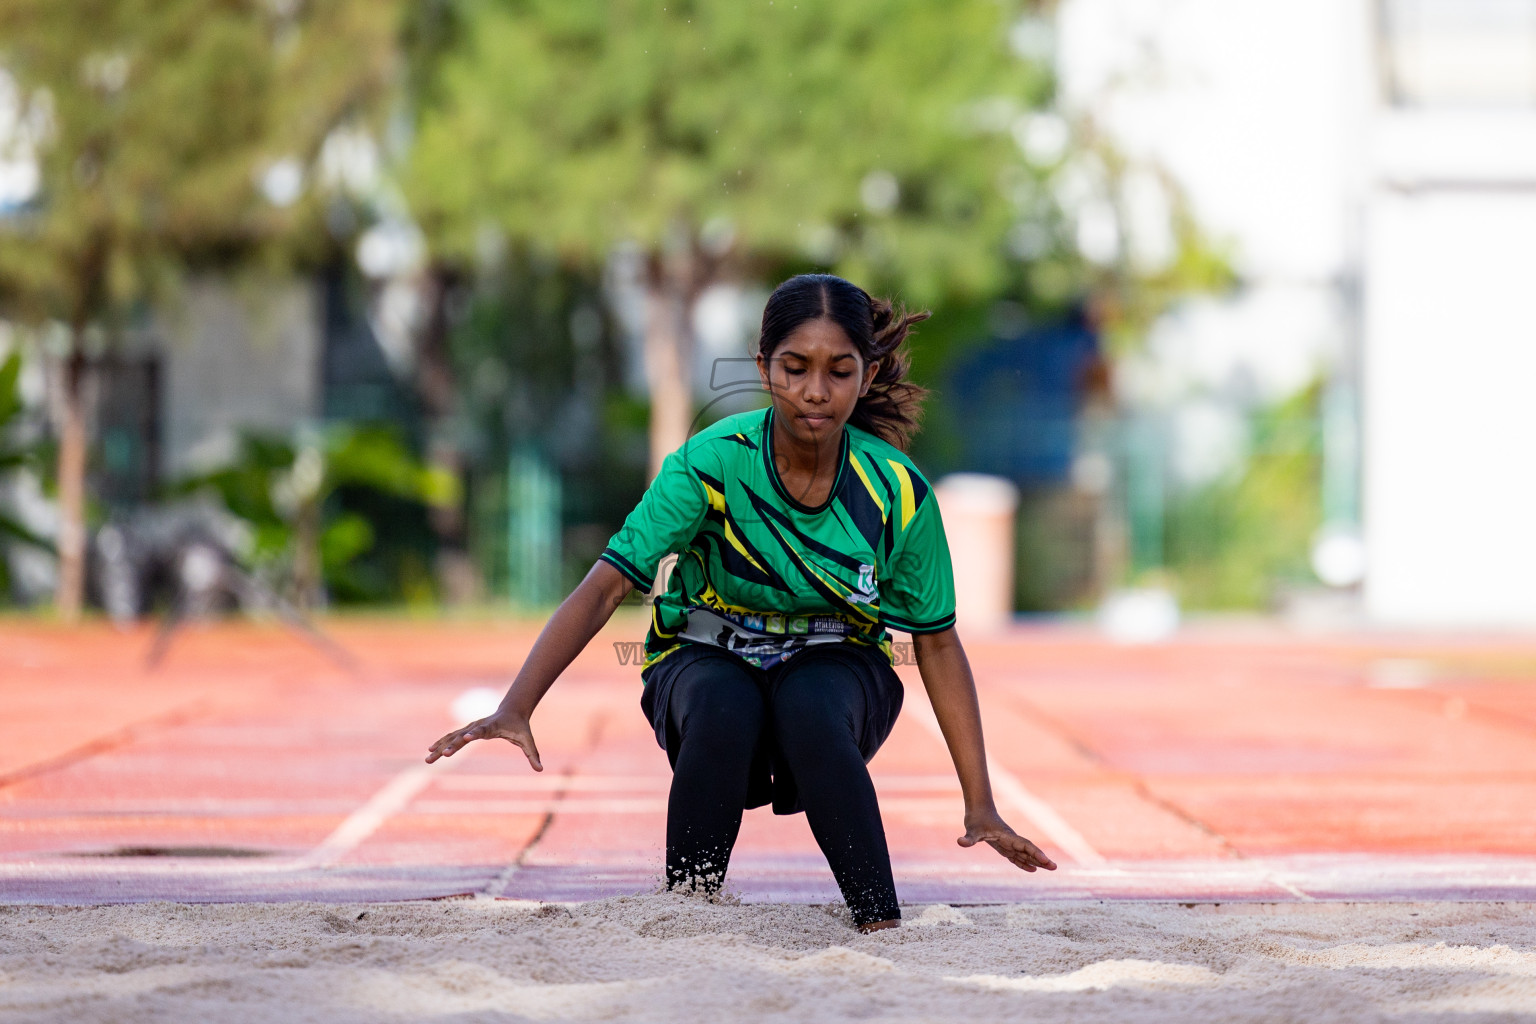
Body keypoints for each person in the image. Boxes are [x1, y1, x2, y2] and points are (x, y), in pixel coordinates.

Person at [427, 273, 1057, 932]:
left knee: (808, 706)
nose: (816, 390)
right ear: (764, 369)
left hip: (840, 665)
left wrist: (979, 805)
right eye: (795, 368)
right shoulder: (710, 462)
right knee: (726, 709)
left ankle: (879, 921)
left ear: (867, 376)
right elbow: (610, 581)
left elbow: (934, 641)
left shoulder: (896, 491)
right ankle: (689, 914)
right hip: (702, 655)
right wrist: (516, 705)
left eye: (839, 371)